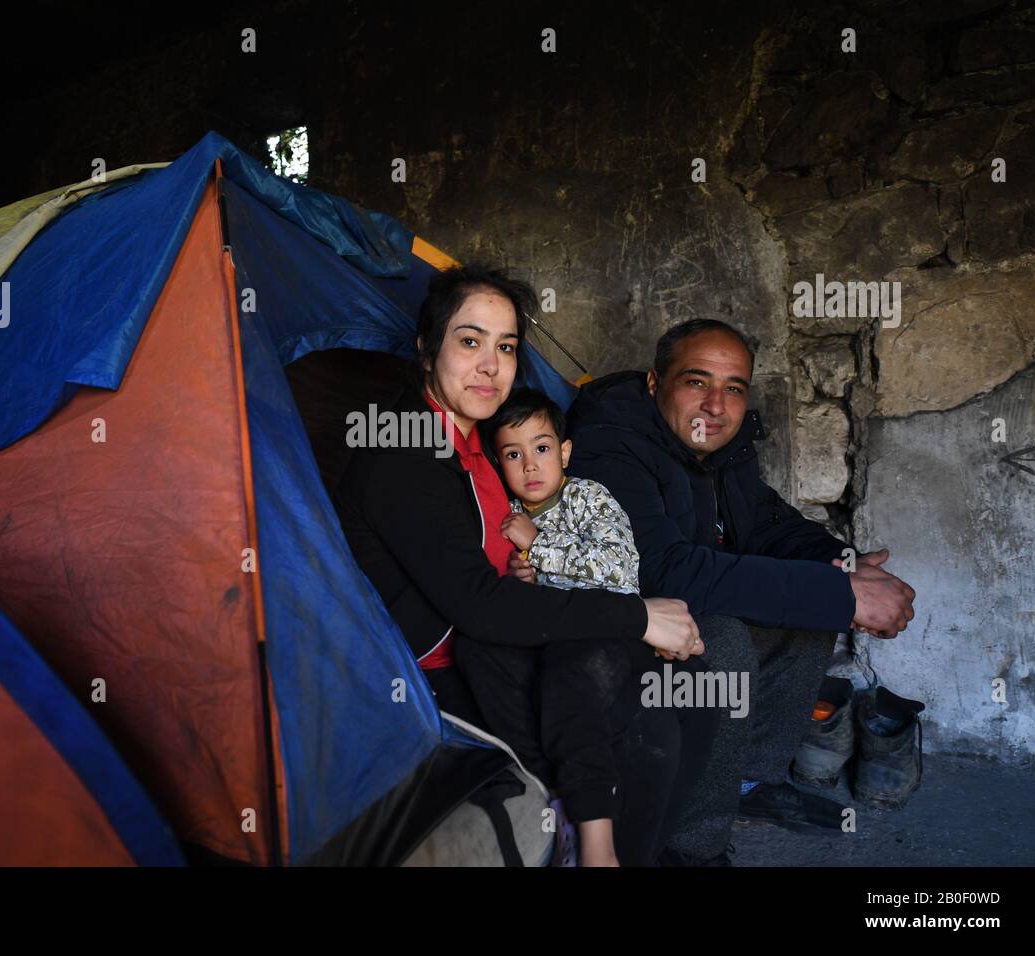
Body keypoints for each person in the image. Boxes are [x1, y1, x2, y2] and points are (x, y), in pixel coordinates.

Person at [332, 264, 705, 866]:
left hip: (506, 639)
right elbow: (480, 606)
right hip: (446, 676)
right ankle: (587, 840)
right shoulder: (401, 453)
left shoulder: (478, 442)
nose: (491, 365)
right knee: (640, 719)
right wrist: (636, 617)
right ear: (428, 349)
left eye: (506, 346)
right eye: (470, 340)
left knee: (675, 697)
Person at [566, 318, 918, 864]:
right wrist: (843, 594)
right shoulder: (608, 449)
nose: (716, 405)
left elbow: (767, 523)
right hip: (613, 625)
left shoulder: (719, 450)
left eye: (733, 388)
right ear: (656, 384)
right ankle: (692, 845)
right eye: (696, 382)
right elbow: (669, 572)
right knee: (724, 644)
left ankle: (750, 784)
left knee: (805, 617)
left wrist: (842, 564)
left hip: (678, 607)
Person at [480, 386, 718, 866]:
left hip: (620, 631)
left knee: (689, 697)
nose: (529, 465)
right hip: (562, 639)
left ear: (564, 452)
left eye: (541, 448)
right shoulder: (508, 515)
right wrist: (521, 574)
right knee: (572, 678)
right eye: (513, 453)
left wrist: (540, 547)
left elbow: (619, 567)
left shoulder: (589, 497)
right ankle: (593, 837)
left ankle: (632, 847)